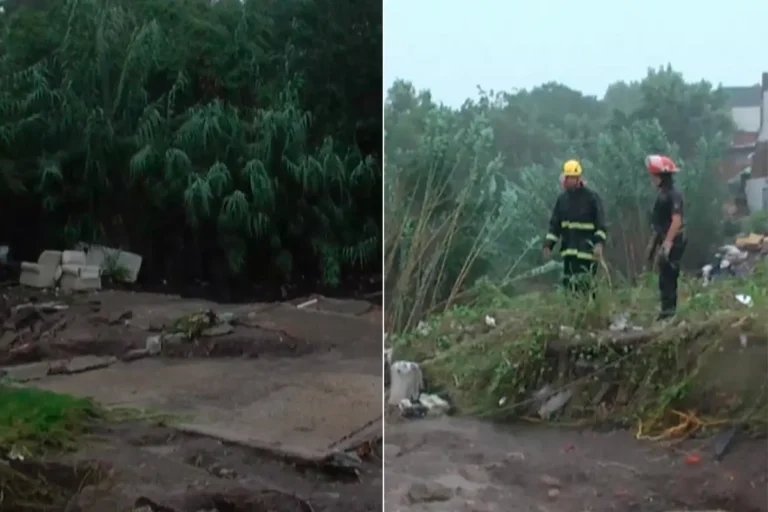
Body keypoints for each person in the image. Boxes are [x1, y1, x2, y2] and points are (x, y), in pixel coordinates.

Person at [543, 159, 607, 295]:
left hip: (587, 253)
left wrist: (599, 244)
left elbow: (601, 223)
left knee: (587, 286)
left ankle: (590, 312)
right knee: (569, 286)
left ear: (577, 178)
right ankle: (572, 313)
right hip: (569, 253)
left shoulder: (592, 198)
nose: (566, 180)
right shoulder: (562, 200)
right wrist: (548, 245)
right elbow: (555, 224)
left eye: (569, 177)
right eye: (566, 177)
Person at [644, 154, 686, 321]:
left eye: (654, 176)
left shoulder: (673, 195)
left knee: (670, 276)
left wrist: (668, 243)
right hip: (664, 239)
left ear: (662, 177)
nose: (652, 180)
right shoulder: (662, 195)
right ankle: (665, 310)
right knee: (663, 277)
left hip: (675, 241)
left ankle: (669, 313)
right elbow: (658, 224)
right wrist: (652, 246)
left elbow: (676, 221)